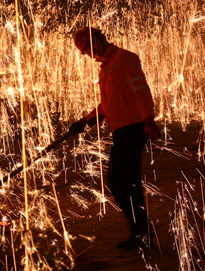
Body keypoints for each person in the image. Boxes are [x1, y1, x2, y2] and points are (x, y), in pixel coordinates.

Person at [69, 27, 160, 251]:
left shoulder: (125, 58)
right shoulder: (106, 67)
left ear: (99, 38)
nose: (90, 54)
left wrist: (149, 120)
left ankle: (141, 232)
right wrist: (86, 121)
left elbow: (140, 89)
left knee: (118, 181)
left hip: (134, 126)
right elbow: (109, 102)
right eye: (86, 51)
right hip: (120, 128)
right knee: (128, 182)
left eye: (90, 48)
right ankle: (141, 233)